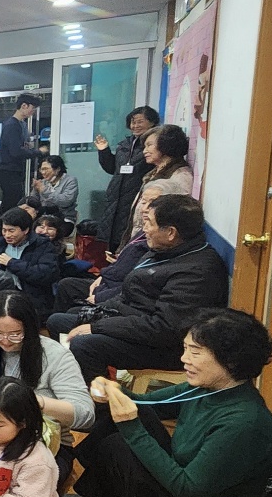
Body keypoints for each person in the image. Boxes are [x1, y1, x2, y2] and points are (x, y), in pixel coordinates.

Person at [68, 309, 272, 497]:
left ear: (230, 360)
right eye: (185, 349)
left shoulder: (243, 423)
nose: (184, 359)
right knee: (127, 418)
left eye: (195, 352)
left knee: (122, 442)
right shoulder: (209, 388)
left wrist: (131, 426)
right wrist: (113, 390)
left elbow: (186, 488)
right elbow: (146, 404)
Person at [51, 195, 229, 385]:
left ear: (170, 232)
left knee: (84, 344)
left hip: (166, 346)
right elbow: (130, 292)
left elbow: (164, 329)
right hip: (135, 319)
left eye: (149, 223)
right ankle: (66, 382)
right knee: (59, 320)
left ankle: (103, 398)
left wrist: (97, 326)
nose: (145, 229)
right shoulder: (167, 251)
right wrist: (101, 308)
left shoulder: (197, 272)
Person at [0, 290, 94, 483]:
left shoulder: (55, 355)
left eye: (15, 334)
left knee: (20, 484)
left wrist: (34, 403)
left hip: (39, 444)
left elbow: (86, 415)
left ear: (30, 328)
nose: (5, 341)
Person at [54, 179, 186, 312]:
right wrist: (102, 277)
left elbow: (134, 284)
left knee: (66, 314)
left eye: (152, 203)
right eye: (143, 202)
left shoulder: (159, 239)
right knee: (67, 284)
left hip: (118, 293)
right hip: (110, 282)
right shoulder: (143, 229)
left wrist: (101, 296)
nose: (145, 209)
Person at [95, 106, 160, 251]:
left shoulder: (155, 146)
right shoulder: (125, 144)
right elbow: (112, 169)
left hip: (137, 198)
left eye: (140, 122)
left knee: (131, 243)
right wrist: (104, 151)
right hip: (116, 199)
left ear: (152, 122)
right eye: (132, 122)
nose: (135, 126)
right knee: (113, 243)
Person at [0, 208, 61, 318]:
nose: (7, 235)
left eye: (11, 231)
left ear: (26, 230)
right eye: (4, 230)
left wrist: (11, 263)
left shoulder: (43, 246)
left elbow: (46, 274)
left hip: (32, 302)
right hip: (0, 299)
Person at [0, 93, 46, 213]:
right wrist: (38, 152)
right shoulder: (12, 125)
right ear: (24, 105)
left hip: (17, 170)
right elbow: (16, 152)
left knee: (13, 203)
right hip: (9, 171)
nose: (33, 112)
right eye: (32, 108)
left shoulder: (22, 124)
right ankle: (3, 225)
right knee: (10, 205)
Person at [140, 124, 195, 205]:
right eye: (145, 146)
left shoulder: (181, 175)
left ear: (166, 144)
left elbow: (179, 207)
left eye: (149, 145)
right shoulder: (153, 172)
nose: (144, 151)